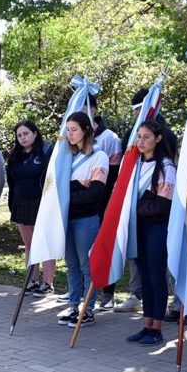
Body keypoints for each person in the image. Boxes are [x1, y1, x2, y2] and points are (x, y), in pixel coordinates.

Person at [56, 112, 109, 328]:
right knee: (72, 266)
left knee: (87, 266)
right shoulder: (65, 156)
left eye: (74, 129)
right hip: (65, 219)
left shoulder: (99, 156)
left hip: (85, 219)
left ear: (86, 130)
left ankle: (88, 310)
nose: (70, 134)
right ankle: (73, 306)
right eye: (67, 129)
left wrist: (66, 199)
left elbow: (95, 193)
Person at [125, 120, 175, 345]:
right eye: (139, 136)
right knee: (144, 276)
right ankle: (146, 325)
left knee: (156, 277)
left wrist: (135, 209)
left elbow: (163, 205)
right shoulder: (134, 165)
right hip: (138, 227)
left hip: (156, 227)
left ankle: (157, 328)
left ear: (158, 139)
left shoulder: (166, 167)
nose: (141, 141)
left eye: (146, 137)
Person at [6, 120, 54, 295]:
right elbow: (11, 182)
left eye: (26, 133)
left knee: (44, 242)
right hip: (20, 203)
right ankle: (31, 280)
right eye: (19, 135)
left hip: (40, 203)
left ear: (35, 133)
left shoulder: (46, 152)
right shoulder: (15, 157)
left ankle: (48, 283)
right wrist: (12, 204)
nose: (22, 138)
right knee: (29, 244)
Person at [87, 94, 124, 310]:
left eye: (86, 107)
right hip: (83, 204)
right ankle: (84, 293)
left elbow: (115, 173)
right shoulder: (74, 135)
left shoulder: (109, 137)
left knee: (105, 244)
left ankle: (108, 293)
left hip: (104, 200)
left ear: (94, 110)